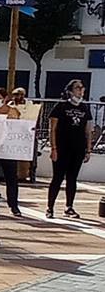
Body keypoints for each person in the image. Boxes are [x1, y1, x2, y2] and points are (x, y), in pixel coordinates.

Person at [46, 79, 93, 219]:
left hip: (77, 149)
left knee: (72, 179)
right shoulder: (61, 107)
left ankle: (69, 207)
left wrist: (88, 149)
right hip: (62, 148)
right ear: (70, 91)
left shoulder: (85, 108)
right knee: (57, 178)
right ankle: (50, 207)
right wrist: (53, 148)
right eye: (77, 88)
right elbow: (52, 128)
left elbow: (88, 131)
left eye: (82, 88)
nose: (80, 91)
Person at [0, 87, 22, 217]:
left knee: (11, 179)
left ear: (5, 98)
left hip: (9, 151)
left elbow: (19, 129)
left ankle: (14, 206)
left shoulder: (13, 112)